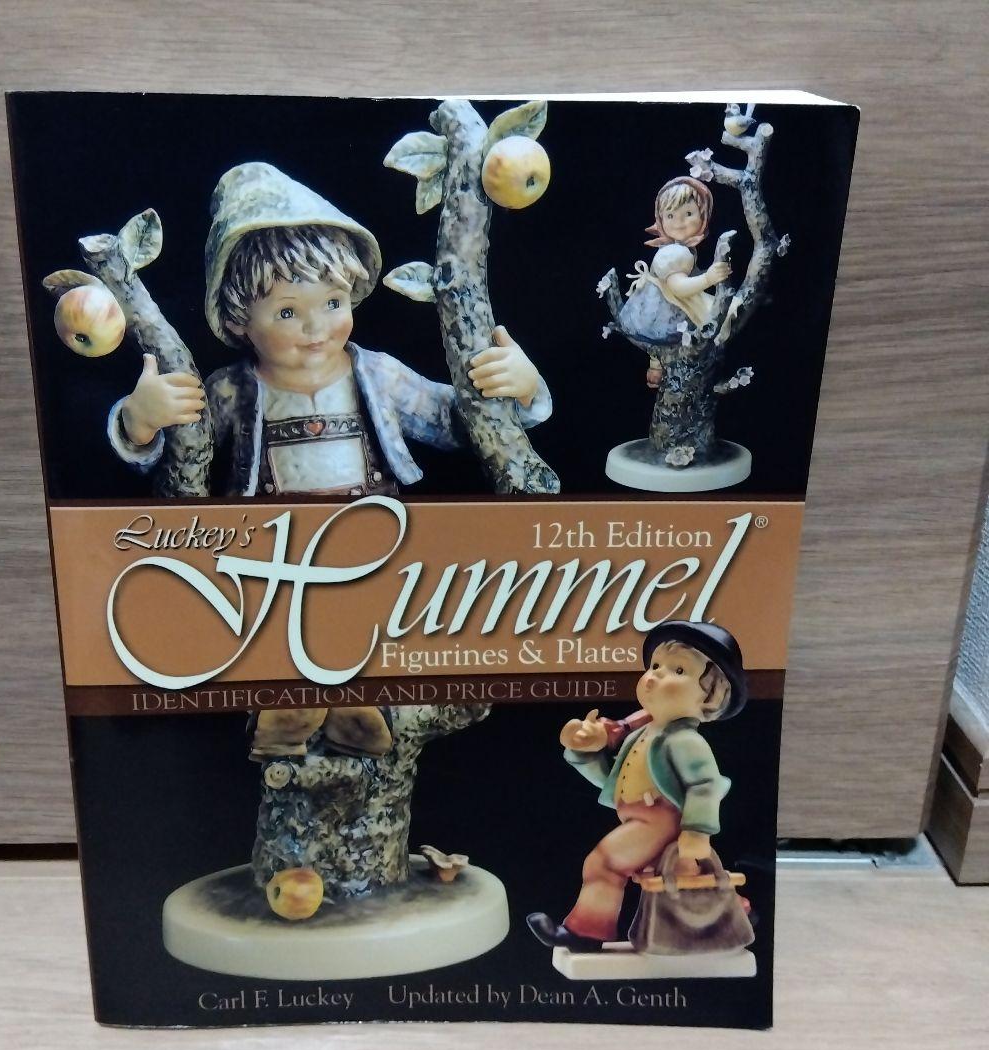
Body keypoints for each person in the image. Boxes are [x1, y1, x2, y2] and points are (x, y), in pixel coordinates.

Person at [106, 161, 552, 758]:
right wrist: (139, 420)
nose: (316, 328)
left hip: (372, 538)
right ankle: (284, 714)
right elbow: (180, 449)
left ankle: (357, 713)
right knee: (281, 626)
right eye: (287, 312)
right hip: (276, 548)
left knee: (366, 621)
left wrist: (520, 390)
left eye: (333, 301)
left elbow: (456, 421)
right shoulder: (231, 390)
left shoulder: (379, 375)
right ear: (240, 320)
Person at [527, 620, 747, 951]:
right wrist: (584, 751)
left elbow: (705, 785)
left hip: (658, 823)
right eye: (655, 666)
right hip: (638, 819)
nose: (655, 676)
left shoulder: (684, 741)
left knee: (603, 862)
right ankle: (740, 913)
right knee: (681, 879)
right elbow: (613, 782)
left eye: (677, 670)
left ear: (711, 696)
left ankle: (585, 933)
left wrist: (697, 831)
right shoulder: (643, 735)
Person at [601, 175, 731, 386]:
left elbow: (687, 276)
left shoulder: (681, 249)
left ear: (704, 216)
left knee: (667, 341)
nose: (679, 223)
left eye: (688, 214)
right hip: (663, 312)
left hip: (658, 310)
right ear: (660, 219)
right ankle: (660, 364)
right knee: (679, 332)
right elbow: (678, 287)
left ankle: (657, 365)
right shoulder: (673, 253)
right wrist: (708, 278)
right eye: (670, 215)